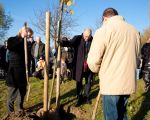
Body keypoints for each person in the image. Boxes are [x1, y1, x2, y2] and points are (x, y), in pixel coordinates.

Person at [87, 8, 140, 120]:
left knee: (111, 116)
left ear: (104, 18)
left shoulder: (104, 30)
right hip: (128, 81)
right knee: (122, 114)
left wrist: (97, 70)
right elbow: (137, 57)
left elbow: (92, 61)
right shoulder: (134, 31)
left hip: (111, 83)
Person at [61, 28, 93, 106]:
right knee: (79, 82)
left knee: (88, 82)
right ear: (83, 33)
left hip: (89, 65)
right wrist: (62, 42)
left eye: (88, 36)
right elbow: (69, 43)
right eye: (85, 36)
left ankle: (87, 97)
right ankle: (79, 97)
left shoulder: (93, 40)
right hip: (80, 66)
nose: (87, 38)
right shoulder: (77, 38)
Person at [6, 26, 33, 116]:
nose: (29, 36)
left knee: (22, 92)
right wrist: (22, 38)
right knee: (13, 92)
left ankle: (20, 108)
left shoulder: (27, 43)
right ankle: (11, 112)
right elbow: (11, 46)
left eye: (30, 35)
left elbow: (28, 57)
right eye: (28, 34)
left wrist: (29, 69)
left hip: (23, 72)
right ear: (22, 31)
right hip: (14, 71)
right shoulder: (12, 40)